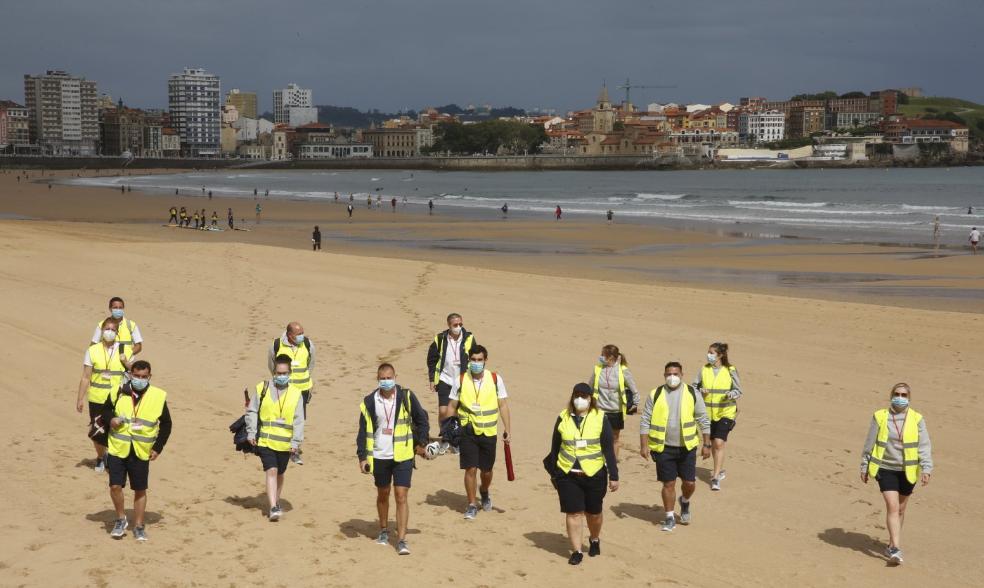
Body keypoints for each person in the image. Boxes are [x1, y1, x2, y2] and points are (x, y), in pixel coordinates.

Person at [356, 363, 429, 555]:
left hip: (403, 455)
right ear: (377, 379)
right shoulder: (370, 402)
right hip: (379, 455)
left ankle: (402, 540)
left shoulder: (406, 397)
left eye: (389, 377)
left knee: (401, 496)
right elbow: (363, 432)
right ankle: (383, 529)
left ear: (395, 377)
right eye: (382, 378)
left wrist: (421, 443)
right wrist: (362, 457)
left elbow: (422, 419)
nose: (386, 381)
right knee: (383, 494)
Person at [545, 383, 619, 565]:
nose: (580, 399)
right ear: (572, 397)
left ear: (590, 399)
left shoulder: (600, 418)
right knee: (573, 513)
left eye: (584, 396)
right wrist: (555, 473)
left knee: (593, 513)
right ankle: (577, 551)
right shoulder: (562, 417)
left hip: (594, 474)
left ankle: (594, 539)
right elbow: (555, 447)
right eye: (577, 395)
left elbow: (608, 449)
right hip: (568, 475)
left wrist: (614, 476)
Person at [860, 383, 933, 565]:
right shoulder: (880, 416)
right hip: (885, 468)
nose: (900, 397)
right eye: (897, 394)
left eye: (904, 394)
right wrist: (864, 465)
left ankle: (892, 543)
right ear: (891, 395)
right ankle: (895, 549)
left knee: (900, 510)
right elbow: (870, 442)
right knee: (892, 507)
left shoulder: (917, 419)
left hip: (907, 471)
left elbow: (924, 445)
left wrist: (926, 468)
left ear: (909, 398)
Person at [102, 360, 172, 541]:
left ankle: (139, 526)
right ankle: (120, 519)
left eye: (144, 377)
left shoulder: (158, 396)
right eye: (137, 376)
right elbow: (105, 410)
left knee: (140, 489)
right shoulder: (118, 391)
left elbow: (166, 424)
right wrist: (112, 419)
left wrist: (158, 448)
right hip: (118, 447)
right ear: (130, 374)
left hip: (141, 450)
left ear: (149, 377)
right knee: (115, 486)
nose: (140, 379)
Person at [639, 362, 711, 532]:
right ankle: (669, 516)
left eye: (675, 374)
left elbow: (703, 419)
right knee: (668, 484)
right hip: (663, 448)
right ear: (664, 375)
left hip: (687, 447)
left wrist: (707, 444)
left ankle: (684, 501)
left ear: (682, 374)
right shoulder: (655, 394)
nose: (672, 377)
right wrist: (644, 445)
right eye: (669, 374)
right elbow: (645, 420)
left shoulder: (692, 393)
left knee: (689, 483)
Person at [446, 345, 512, 520]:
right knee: (470, 468)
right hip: (468, 430)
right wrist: (449, 428)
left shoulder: (495, 379)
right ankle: (471, 504)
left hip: (489, 431)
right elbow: (452, 405)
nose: (476, 363)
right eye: (473, 360)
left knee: (487, 470)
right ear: (469, 360)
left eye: (479, 360)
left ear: (485, 360)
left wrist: (507, 429)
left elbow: (503, 405)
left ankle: (484, 490)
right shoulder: (461, 379)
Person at [246, 354, 305, 521]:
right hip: (265, 441)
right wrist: (251, 432)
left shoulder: (296, 394)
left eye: (284, 373)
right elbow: (252, 410)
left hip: (285, 444)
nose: (281, 376)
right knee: (271, 470)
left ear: (290, 373)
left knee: (280, 473)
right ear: (274, 373)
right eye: (279, 373)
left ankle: (276, 501)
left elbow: (299, 420)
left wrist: (296, 442)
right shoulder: (262, 388)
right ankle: (272, 507)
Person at [77, 316, 132, 472]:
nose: (109, 332)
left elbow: (135, 372)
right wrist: (80, 398)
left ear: (117, 332)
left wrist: (126, 362)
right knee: (98, 431)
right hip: (97, 397)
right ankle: (101, 457)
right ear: (101, 331)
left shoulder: (125, 349)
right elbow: (85, 376)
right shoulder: (92, 350)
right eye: (107, 329)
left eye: (113, 330)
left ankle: (116, 461)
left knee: (118, 430)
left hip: (118, 398)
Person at [692, 342, 741, 491]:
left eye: (712, 353)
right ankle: (719, 469)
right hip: (707, 413)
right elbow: (693, 387)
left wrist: (731, 394)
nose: (709, 355)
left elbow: (738, 390)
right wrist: (701, 390)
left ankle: (715, 476)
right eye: (708, 352)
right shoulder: (704, 370)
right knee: (713, 443)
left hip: (726, 412)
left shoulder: (730, 370)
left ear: (720, 355)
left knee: (719, 443)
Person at [269, 322, 315, 464]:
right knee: (283, 416)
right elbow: (272, 365)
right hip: (283, 389)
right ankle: (281, 446)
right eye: (298, 334)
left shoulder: (308, 344)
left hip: (302, 390)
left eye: (302, 332)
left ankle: (295, 450)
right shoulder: (277, 345)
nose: (302, 336)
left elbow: (310, 364)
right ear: (290, 335)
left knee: (299, 420)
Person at [589, 345, 638, 461]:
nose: (601, 357)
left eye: (603, 355)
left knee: (615, 438)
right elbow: (590, 386)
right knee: (599, 437)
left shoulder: (623, 370)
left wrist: (635, 404)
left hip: (616, 410)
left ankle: (613, 462)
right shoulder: (598, 369)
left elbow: (634, 389)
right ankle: (600, 461)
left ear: (610, 357)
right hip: (600, 410)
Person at [426, 313, 477, 423]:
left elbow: (476, 358)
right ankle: (444, 435)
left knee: (458, 412)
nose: (458, 327)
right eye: (455, 325)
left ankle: (456, 436)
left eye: (460, 324)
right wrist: (431, 379)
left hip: (463, 381)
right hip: (445, 379)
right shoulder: (440, 339)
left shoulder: (469, 338)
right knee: (443, 411)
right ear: (449, 325)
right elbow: (431, 360)